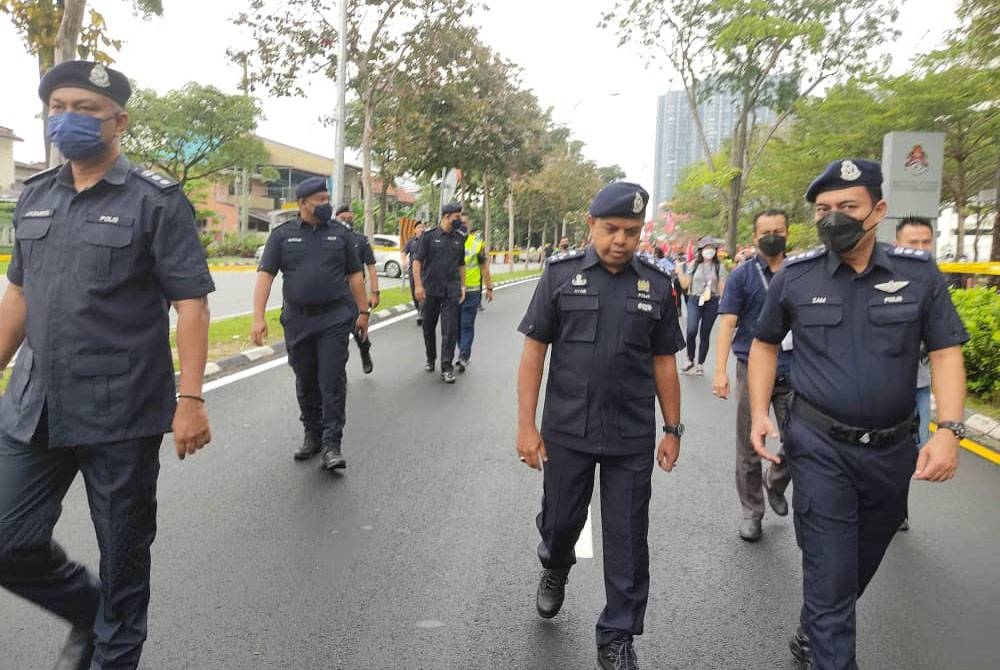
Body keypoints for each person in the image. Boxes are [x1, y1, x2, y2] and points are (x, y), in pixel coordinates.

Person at [0, 60, 214, 670]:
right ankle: (87, 613)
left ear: (118, 120)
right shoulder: (35, 196)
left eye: (86, 109)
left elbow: (191, 302)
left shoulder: (155, 201)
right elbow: (19, 294)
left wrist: (191, 398)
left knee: (124, 561)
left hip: (122, 410)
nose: (68, 119)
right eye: (58, 106)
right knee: (6, 540)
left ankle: (112, 648)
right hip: (33, 405)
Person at [748, 159, 969, 670]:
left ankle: (815, 621)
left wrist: (949, 430)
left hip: (892, 450)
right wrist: (760, 411)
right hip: (819, 444)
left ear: (879, 211)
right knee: (829, 572)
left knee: (858, 564)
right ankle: (825, 634)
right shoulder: (797, 277)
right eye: (823, 209)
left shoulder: (918, 274)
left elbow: (945, 352)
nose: (833, 219)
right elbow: (763, 345)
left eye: (847, 207)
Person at [516, 182, 685, 670]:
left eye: (631, 232)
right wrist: (526, 426)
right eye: (611, 229)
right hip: (567, 429)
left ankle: (617, 635)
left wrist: (673, 428)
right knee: (562, 519)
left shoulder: (656, 284)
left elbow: (664, 362)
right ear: (591, 225)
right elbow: (534, 352)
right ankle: (555, 562)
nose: (620, 240)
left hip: (630, 433)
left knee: (629, 535)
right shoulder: (561, 276)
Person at [252, 177, 369, 471]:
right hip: (298, 319)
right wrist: (258, 316)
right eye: (319, 199)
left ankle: (332, 444)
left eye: (326, 198)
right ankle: (312, 435)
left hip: (334, 318)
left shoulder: (340, 235)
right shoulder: (282, 236)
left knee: (332, 379)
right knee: (305, 379)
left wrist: (363, 311)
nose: (325, 204)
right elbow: (265, 276)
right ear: (302, 203)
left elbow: (355, 275)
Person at [713, 210, 794, 542]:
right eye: (765, 231)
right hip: (752, 369)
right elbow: (728, 323)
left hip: (796, 368)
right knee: (749, 446)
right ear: (755, 236)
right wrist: (720, 370)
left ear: (788, 233)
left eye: (778, 230)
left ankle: (775, 481)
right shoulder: (742, 276)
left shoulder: (800, 273)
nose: (771, 236)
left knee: (800, 440)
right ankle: (752, 512)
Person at [894, 215, 936, 532]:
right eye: (913, 243)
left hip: (919, 385)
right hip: (883, 386)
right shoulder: (878, 281)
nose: (921, 249)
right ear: (899, 244)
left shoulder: (936, 284)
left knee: (913, 448)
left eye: (926, 242)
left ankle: (898, 508)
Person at [412, 203, 466, 383]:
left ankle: (446, 368)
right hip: (431, 290)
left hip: (452, 290)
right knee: (428, 326)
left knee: (450, 329)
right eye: (456, 217)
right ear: (446, 216)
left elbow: (461, 264)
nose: (459, 220)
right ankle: (430, 357)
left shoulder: (460, 238)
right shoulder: (429, 237)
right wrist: (418, 286)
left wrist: (463, 287)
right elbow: (417, 262)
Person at [334, 204, 379, 374]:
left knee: (358, 330)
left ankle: (364, 350)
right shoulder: (328, 239)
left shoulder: (360, 240)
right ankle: (339, 374)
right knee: (337, 338)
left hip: (355, 295)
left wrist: (375, 293)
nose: (346, 222)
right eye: (342, 219)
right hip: (335, 295)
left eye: (349, 219)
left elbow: (371, 267)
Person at [677, 237, 727, 375]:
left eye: (711, 248)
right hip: (695, 299)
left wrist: (724, 303)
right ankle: (690, 358)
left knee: (705, 333)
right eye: (706, 248)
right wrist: (679, 271)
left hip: (712, 302)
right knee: (691, 330)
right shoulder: (694, 264)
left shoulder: (719, 266)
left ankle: (700, 363)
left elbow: (722, 286)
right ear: (701, 250)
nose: (708, 251)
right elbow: (685, 284)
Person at [456, 224, 494, 372]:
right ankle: (463, 351)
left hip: (472, 291)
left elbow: (484, 268)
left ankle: (464, 356)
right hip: (454, 291)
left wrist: (489, 288)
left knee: (466, 324)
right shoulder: (451, 242)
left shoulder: (477, 245)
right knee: (456, 326)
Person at [402, 220, 426, 324]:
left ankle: (422, 312)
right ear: (415, 230)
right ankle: (419, 310)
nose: (421, 229)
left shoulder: (427, 240)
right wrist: (404, 260)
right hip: (413, 271)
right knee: (414, 292)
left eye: (422, 227)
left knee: (424, 291)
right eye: (419, 227)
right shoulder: (411, 241)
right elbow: (403, 252)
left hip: (425, 271)